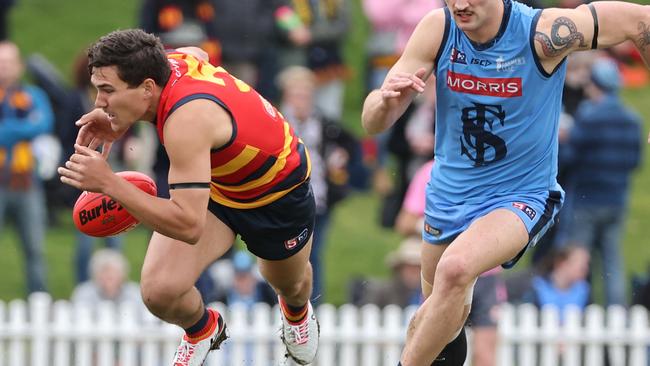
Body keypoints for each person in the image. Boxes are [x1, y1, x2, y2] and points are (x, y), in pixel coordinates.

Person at [360, 0, 650, 365]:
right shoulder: (438, 29)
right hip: (448, 198)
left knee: (456, 269)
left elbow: (641, 20)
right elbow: (372, 121)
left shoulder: (543, 34)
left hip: (520, 196)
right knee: (436, 329)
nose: (460, 5)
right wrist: (385, 103)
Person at [57, 29, 319, 366]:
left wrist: (109, 183)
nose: (98, 102)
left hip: (276, 193)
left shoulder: (186, 120)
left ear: (148, 87)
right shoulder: (168, 64)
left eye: (107, 91)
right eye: (97, 89)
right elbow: (198, 54)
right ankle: (203, 330)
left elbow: (189, 225)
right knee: (159, 291)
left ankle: (297, 314)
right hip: (217, 185)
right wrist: (119, 119)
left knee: (288, 283)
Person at [564, 57, 643, 306]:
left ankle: (580, 310)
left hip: (586, 200)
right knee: (612, 262)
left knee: (578, 259)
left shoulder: (588, 116)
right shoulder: (633, 120)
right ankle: (617, 314)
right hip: (616, 200)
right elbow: (635, 162)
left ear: (596, 85)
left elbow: (569, 157)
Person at [277, 65, 358, 303]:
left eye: (306, 95)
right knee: (283, 253)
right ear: (287, 96)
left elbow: (350, 143)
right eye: (297, 95)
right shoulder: (276, 120)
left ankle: (313, 303)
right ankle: (283, 301)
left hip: (317, 197)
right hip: (283, 200)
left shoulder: (323, 123)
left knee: (313, 254)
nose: (302, 101)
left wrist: (340, 160)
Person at [0, 41, 54, 295]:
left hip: (26, 181)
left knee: (35, 247)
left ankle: (39, 303)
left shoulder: (34, 95)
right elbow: (33, 126)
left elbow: (44, 124)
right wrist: (23, 130)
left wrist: (7, 130)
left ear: (19, 66)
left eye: (9, 62)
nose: (4, 68)